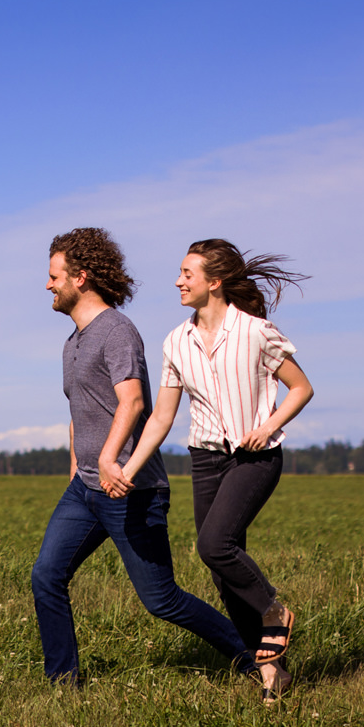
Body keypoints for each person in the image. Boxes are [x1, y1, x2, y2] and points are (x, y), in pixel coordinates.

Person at [30, 228, 255, 685]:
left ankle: (252, 657)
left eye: (55, 277)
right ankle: (62, 683)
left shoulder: (116, 331)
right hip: (86, 491)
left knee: (162, 600)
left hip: (132, 489)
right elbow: (81, 411)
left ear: (82, 277)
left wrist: (111, 460)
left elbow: (132, 403)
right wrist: (77, 472)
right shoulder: (73, 342)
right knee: (46, 577)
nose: (48, 285)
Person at [117, 239, 313, 701]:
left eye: (188, 273)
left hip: (255, 457)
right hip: (205, 460)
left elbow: (301, 388)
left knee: (213, 544)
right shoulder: (175, 342)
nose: (179, 281)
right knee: (223, 574)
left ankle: (273, 609)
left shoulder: (256, 333)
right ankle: (272, 676)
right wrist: (129, 468)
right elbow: (162, 417)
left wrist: (268, 426)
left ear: (215, 281)